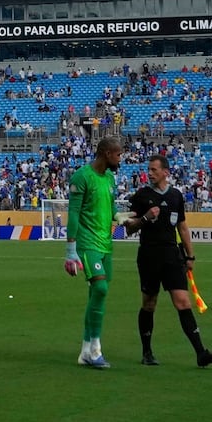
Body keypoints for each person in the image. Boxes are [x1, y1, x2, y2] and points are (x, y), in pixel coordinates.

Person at [127, 153, 212, 368]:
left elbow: (183, 227)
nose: (150, 173)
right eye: (149, 170)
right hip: (149, 255)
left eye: (154, 170)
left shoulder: (176, 196)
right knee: (149, 303)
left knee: (183, 301)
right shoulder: (142, 195)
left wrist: (190, 255)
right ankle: (147, 352)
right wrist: (145, 218)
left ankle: (201, 353)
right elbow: (128, 228)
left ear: (166, 172)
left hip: (171, 255)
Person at [62, 136, 124, 369]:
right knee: (100, 288)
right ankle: (95, 348)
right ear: (107, 153)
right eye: (118, 155)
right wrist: (70, 250)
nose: (120, 159)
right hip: (87, 244)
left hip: (106, 244)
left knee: (97, 295)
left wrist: (120, 217)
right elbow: (74, 213)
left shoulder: (109, 178)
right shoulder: (82, 176)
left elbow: (112, 206)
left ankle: (86, 350)